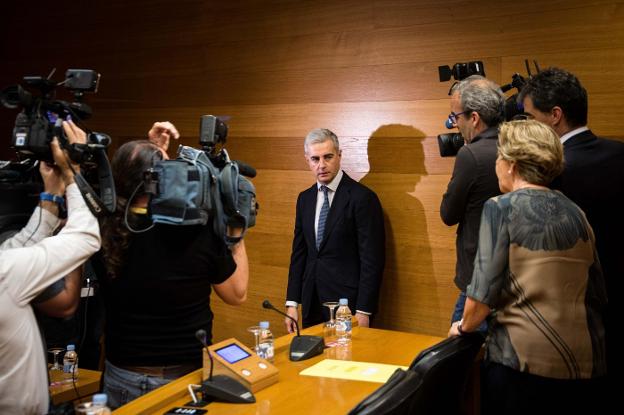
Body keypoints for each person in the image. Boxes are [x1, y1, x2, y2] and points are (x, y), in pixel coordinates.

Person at [449, 120, 607, 414]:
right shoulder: (576, 212)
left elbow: (482, 294)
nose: (496, 163)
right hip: (585, 364)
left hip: (521, 364)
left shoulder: (501, 207)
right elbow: (597, 292)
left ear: (511, 164)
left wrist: (463, 325)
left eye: (498, 156)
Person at [98, 126, 249, 409]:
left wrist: (150, 153)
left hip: (119, 377)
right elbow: (237, 294)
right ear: (158, 180)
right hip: (180, 382)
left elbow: (135, 186)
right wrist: (236, 234)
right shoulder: (195, 232)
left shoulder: (103, 230)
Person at [518, 67, 623, 372]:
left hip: (574, 312)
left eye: (530, 118)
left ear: (555, 115)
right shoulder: (620, 152)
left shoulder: (552, 172)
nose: (527, 127)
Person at [0, 121, 101, 414]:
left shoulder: (6, 266)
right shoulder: (6, 275)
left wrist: (51, 195)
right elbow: (85, 236)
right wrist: (73, 176)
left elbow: (18, 246)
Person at [284, 128, 385, 331]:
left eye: (328, 157)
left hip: (348, 306)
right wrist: (292, 303)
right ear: (307, 160)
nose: (321, 165)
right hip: (312, 301)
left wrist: (364, 311)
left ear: (339, 155)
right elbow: (299, 254)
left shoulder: (362, 198)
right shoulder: (305, 199)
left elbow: (372, 260)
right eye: (315, 159)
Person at [440, 75, 504, 328]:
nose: (453, 124)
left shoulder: (471, 154)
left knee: (459, 357)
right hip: (515, 279)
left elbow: (448, 214)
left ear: (474, 118)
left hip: (478, 279)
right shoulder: (518, 144)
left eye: (456, 117)